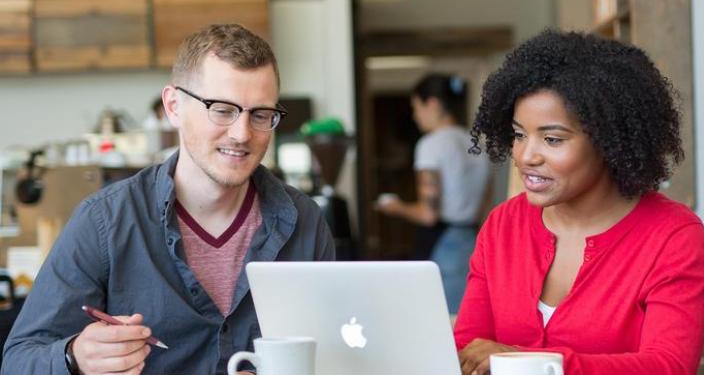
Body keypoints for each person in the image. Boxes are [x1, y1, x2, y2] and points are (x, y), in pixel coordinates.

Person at [2, 24, 335, 375]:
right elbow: (18, 361)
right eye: (222, 110)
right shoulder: (105, 221)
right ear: (173, 107)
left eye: (261, 115)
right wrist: (75, 357)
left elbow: (337, 354)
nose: (242, 134)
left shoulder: (304, 221)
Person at [453, 30, 704, 375]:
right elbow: (466, 349)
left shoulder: (672, 235)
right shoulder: (503, 226)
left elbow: (668, 366)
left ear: (609, 141)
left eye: (552, 139)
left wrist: (532, 364)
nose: (526, 155)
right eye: (518, 135)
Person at [377, 74, 491, 314]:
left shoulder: (431, 144)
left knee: (441, 323)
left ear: (433, 104)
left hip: (443, 243)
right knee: (466, 322)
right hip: (473, 241)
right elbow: (485, 204)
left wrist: (396, 207)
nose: (415, 116)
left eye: (416, 107)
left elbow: (428, 214)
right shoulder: (477, 145)